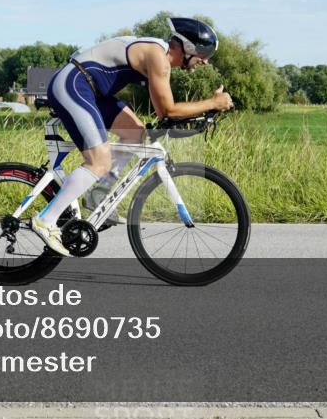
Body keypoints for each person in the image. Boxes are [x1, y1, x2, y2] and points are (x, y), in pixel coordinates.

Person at [31, 17, 234, 255]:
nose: (206, 60)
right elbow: (167, 110)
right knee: (99, 160)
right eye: (203, 53)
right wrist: (212, 102)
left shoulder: (160, 56)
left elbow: (165, 117)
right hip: (74, 84)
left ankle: (97, 194)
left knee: (135, 133)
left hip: (94, 91)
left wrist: (209, 108)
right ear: (188, 47)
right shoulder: (158, 57)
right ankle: (45, 220)